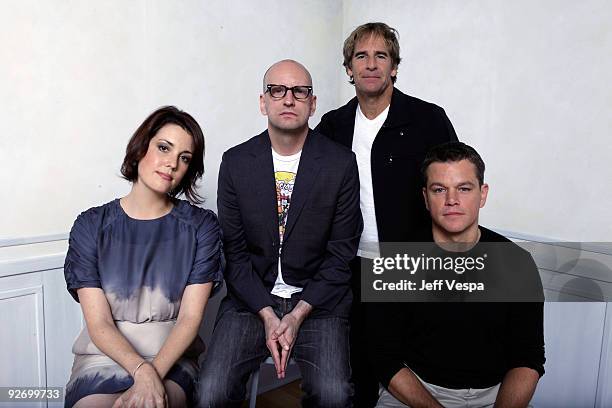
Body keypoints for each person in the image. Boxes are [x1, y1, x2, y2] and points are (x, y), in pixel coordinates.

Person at [197, 59, 362, 407]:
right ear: (263, 101)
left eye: (299, 91)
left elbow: (340, 255)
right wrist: (269, 314)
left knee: (333, 396)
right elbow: (235, 255)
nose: (288, 99)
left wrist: (298, 313)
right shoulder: (236, 162)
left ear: (312, 103)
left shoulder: (340, 164)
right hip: (251, 301)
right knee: (211, 391)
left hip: (318, 303)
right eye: (277, 90)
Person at [315, 22, 458, 406]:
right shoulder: (332, 126)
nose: (371, 64)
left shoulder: (428, 119)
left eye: (381, 56)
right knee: (358, 362)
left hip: (411, 263)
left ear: (394, 66)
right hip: (351, 265)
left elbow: (452, 187)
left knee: (413, 363)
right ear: (349, 69)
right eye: (361, 56)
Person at [63, 106, 223, 407]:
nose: (172, 163)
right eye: (164, 148)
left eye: (184, 157)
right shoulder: (91, 225)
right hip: (103, 357)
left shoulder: (202, 227)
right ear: (140, 148)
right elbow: (98, 324)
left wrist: (152, 375)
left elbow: (189, 319)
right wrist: (140, 371)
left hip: (170, 359)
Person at [368, 142, 545, 408]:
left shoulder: (516, 262)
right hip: (417, 392)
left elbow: (528, 358)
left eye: (464, 188)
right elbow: (384, 357)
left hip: (496, 394)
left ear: (482, 194)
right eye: (440, 190)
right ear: (426, 198)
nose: (452, 200)